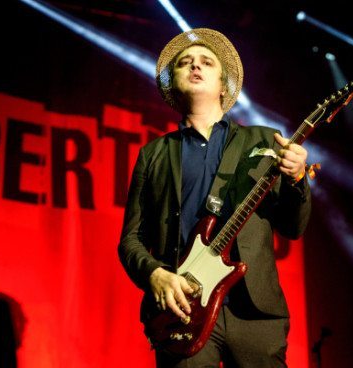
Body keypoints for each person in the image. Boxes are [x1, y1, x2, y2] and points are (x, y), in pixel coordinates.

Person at [117, 28, 311, 367]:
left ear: (224, 86)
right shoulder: (154, 155)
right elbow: (131, 240)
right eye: (185, 63)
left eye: (206, 62)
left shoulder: (263, 140)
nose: (195, 66)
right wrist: (154, 274)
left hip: (253, 312)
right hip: (184, 310)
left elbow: (293, 227)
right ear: (173, 84)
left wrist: (296, 179)